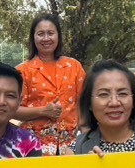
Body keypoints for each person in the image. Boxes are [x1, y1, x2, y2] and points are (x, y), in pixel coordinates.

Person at [16, 13, 86, 155]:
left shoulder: (74, 67)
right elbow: (12, 110)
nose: (46, 38)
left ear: (58, 36)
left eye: (50, 33)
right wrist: (42, 111)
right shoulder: (23, 71)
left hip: (71, 146)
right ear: (33, 37)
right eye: (40, 34)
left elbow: (84, 104)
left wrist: (84, 134)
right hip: (33, 146)